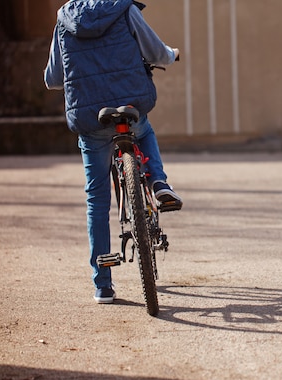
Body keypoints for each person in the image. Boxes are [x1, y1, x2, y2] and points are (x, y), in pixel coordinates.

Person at [44, 0, 182, 304]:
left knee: (96, 199)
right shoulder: (125, 9)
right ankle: (159, 183)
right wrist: (171, 55)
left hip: (91, 120)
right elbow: (156, 52)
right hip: (129, 104)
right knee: (144, 131)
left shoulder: (64, 19)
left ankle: (103, 284)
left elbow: (53, 78)